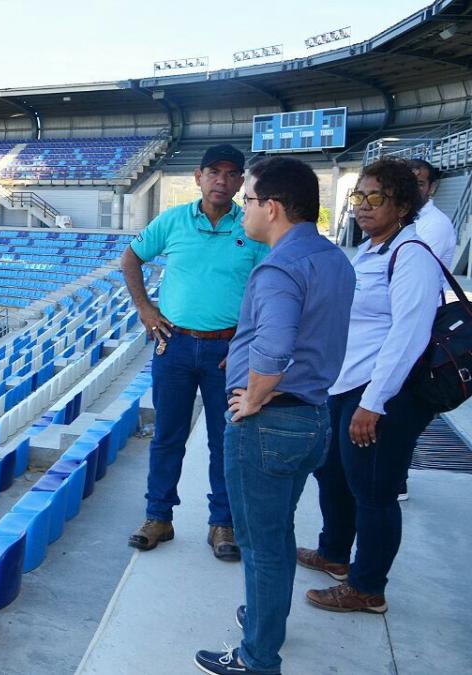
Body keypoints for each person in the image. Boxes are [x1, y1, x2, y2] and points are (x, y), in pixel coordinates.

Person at [194, 157, 355, 675]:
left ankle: (257, 658)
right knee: (278, 534)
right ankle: (265, 619)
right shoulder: (332, 258)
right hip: (312, 416)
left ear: (274, 207)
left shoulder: (279, 265)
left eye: (249, 201)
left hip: (271, 424)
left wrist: (255, 394)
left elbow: (278, 345)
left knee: (262, 546)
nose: (243, 210)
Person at [298, 158, 441, 614]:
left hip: (380, 393)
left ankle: (368, 587)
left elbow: (409, 335)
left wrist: (374, 403)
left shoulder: (412, 254)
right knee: (332, 473)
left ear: (402, 204)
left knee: (374, 491)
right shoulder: (374, 250)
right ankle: (335, 555)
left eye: (374, 197)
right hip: (346, 384)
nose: (362, 206)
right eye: (357, 197)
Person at [121, 144, 268, 561]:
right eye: (213, 172)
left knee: (227, 440)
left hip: (228, 350)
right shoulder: (172, 221)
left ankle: (222, 524)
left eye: (231, 173)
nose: (222, 180)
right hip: (176, 345)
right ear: (199, 177)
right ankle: (158, 517)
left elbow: (270, 287)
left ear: (241, 182)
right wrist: (146, 309)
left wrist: (249, 340)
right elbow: (129, 258)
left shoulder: (253, 228)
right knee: (167, 436)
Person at [397, 158, 454, 501]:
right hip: (405, 325)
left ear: (431, 188)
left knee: (404, 404)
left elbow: (409, 280)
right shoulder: (407, 220)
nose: (412, 188)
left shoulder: (433, 225)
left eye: (419, 182)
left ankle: (397, 478)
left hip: (420, 327)